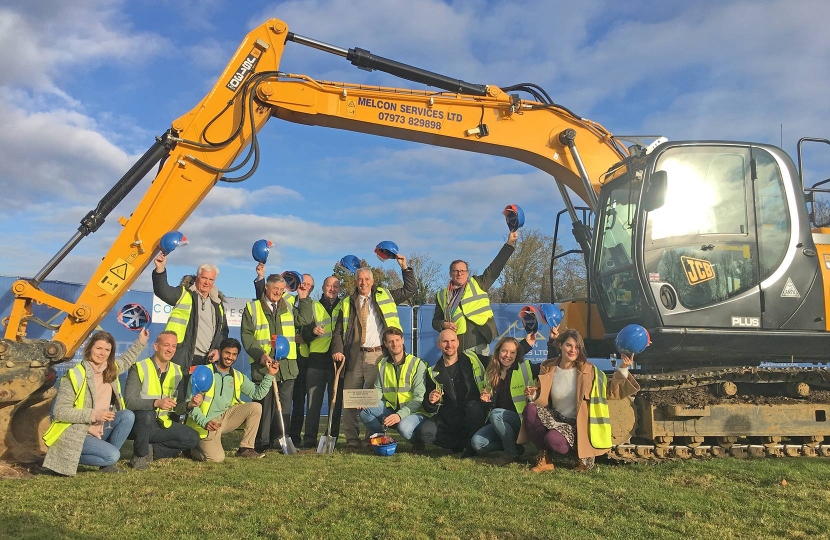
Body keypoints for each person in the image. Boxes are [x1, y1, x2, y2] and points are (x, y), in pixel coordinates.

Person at [523, 328, 639, 472]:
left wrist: (623, 368)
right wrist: (532, 395)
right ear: (560, 345)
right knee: (530, 409)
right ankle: (545, 459)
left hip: (577, 425)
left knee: (553, 440)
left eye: (577, 347)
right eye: (569, 345)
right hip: (554, 417)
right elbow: (541, 398)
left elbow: (610, 391)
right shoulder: (549, 367)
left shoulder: (589, 371)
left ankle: (577, 453)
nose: (573, 350)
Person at [332, 257, 416, 449]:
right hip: (353, 356)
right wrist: (338, 350)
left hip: (377, 356)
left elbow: (411, 290)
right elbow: (338, 331)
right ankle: (352, 440)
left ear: (372, 281)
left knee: (372, 399)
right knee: (350, 399)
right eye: (360, 280)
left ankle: (373, 438)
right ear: (355, 282)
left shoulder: (385, 295)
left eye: (367, 279)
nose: (363, 283)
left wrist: (404, 266)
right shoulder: (347, 302)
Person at [40, 329, 149, 476]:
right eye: (99, 348)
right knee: (112, 455)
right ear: (89, 348)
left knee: (127, 415)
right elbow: (60, 412)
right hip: (77, 433)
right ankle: (66, 457)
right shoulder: (75, 375)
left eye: (107, 350)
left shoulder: (110, 370)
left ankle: (106, 465)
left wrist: (141, 341)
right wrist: (94, 415)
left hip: (100, 429)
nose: (102, 353)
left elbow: (126, 360)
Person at [241, 273, 313, 453]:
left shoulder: (288, 305)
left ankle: (280, 439)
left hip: (287, 367)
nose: (279, 293)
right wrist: (261, 356)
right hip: (263, 365)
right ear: (266, 287)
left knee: (285, 405)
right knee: (264, 405)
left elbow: (304, 319)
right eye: (276, 289)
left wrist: (303, 298)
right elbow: (247, 337)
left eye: (282, 290)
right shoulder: (252, 308)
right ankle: (261, 441)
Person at [432, 231, 518, 366]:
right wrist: (443, 324)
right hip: (457, 344)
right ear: (450, 273)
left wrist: (509, 244)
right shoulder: (441, 295)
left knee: (481, 375)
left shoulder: (478, 283)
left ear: (467, 273)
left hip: (480, 340)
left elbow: (495, 268)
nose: (459, 273)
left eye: (463, 271)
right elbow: (435, 321)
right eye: (455, 271)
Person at [186, 338, 279, 462]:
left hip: (225, 420)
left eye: (234, 354)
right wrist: (204, 422)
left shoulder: (237, 376)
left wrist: (270, 374)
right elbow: (189, 404)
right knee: (216, 459)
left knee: (256, 407)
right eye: (227, 353)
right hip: (205, 424)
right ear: (219, 352)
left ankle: (245, 449)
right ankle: (191, 449)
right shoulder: (203, 372)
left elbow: (258, 394)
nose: (230, 357)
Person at [124, 330, 200, 469]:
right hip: (140, 424)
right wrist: (155, 403)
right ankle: (140, 456)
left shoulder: (178, 371)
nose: (170, 349)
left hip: (163, 424)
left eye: (174, 346)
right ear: (156, 346)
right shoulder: (139, 367)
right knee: (147, 414)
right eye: (166, 345)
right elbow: (129, 402)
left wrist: (190, 404)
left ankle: (151, 450)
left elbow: (178, 408)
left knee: (192, 438)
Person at [414, 329, 488, 456]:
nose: (449, 345)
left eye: (452, 341)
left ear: (458, 343)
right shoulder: (432, 371)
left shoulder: (474, 359)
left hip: (473, 415)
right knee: (424, 432)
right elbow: (428, 407)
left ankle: (471, 447)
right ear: (438, 345)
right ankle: (461, 445)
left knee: (474, 407)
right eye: (445, 341)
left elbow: (502, 359)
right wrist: (431, 401)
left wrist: (526, 344)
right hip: (449, 420)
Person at [470, 333, 539, 466]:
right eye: (504, 351)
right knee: (477, 443)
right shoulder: (490, 373)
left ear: (517, 354)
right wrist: (486, 400)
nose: (508, 355)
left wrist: (553, 341)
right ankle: (515, 447)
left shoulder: (526, 367)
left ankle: (511, 454)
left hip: (520, 420)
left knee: (497, 414)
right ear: (498, 352)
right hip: (499, 422)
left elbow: (549, 366)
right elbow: (490, 403)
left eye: (512, 352)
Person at [153, 253, 229, 370]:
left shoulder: (217, 303)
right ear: (197, 277)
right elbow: (162, 291)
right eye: (204, 278)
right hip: (182, 356)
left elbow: (223, 331)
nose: (207, 282)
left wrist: (218, 349)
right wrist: (160, 269)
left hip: (206, 361)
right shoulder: (184, 293)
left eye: (211, 279)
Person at [359, 328, 427, 444]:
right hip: (391, 409)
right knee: (365, 411)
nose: (395, 344)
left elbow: (419, 398)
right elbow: (378, 389)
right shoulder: (383, 364)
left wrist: (399, 415)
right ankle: (383, 440)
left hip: (414, 411)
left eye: (397, 340)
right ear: (385, 344)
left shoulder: (417, 364)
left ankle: (418, 443)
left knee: (404, 429)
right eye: (390, 341)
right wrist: (367, 401)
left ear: (403, 340)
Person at [301, 275, 344, 449]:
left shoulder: (345, 305)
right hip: (316, 361)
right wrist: (312, 331)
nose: (332, 289)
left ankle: (331, 438)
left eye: (335, 286)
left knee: (336, 402)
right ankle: (310, 439)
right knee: (313, 404)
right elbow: (303, 334)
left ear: (339, 289)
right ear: (323, 287)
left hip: (338, 363)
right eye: (329, 286)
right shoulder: (313, 306)